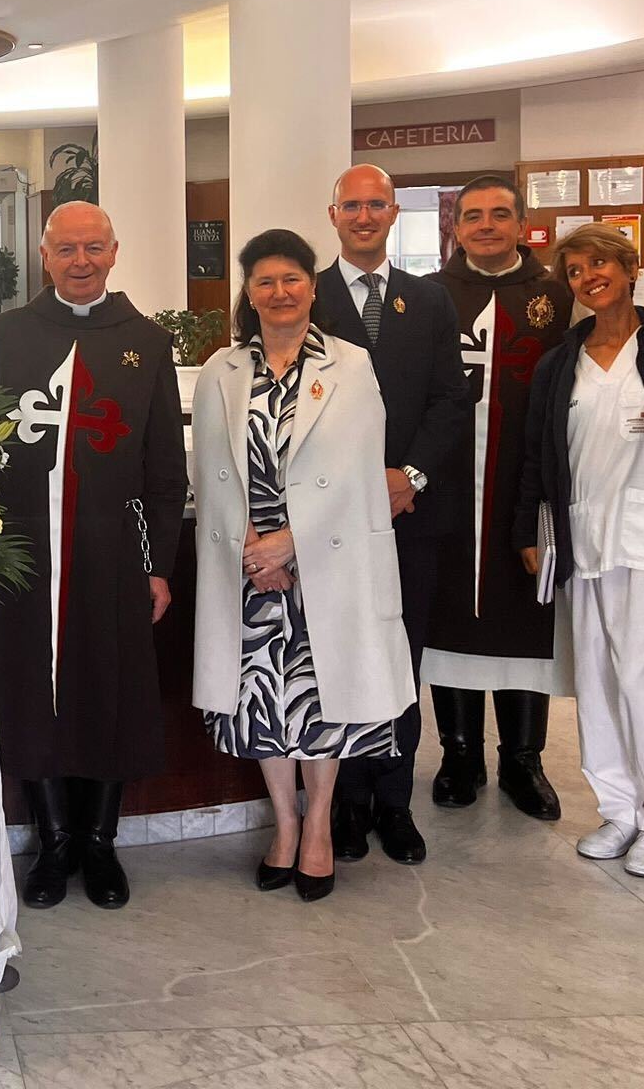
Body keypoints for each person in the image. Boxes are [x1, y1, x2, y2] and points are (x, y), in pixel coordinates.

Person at [193, 229, 416, 903]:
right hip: (251, 568)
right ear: (249, 293)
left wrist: (293, 542)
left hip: (327, 559)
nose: (280, 292)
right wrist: (256, 552)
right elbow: (208, 473)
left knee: (323, 703)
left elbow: (357, 475)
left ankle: (319, 825)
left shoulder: (350, 365)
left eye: (292, 278)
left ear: (313, 287)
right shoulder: (221, 371)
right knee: (262, 702)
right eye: (265, 281)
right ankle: (283, 827)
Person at [0, 201, 186, 910]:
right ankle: (52, 840)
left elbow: (165, 469)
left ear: (115, 252)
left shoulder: (147, 343)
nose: (81, 260)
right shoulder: (8, 335)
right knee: (32, 689)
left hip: (112, 549)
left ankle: (100, 842)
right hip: (25, 553)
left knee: (110, 688)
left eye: (93, 247)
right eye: (67, 248)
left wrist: (158, 564)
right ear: (44, 255)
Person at [516, 223, 644, 878]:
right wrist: (528, 535)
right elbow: (537, 457)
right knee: (594, 682)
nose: (589, 277)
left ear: (630, 268)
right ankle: (619, 808)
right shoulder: (560, 362)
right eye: (574, 271)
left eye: (600, 264)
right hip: (583, 543)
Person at [313, 164, 470, 866]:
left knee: (402, 655)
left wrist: (409, 475)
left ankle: (394, 802)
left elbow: (450, 400)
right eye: (354, 205)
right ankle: (344, 804)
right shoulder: (304, 296)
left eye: (378, 205)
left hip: (410, 512)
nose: (366, 215)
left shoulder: (429, 301)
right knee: (337, 653)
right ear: (333, 214)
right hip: (328, 520)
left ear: (395, 214)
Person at [423, 174, 574, 821]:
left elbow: (630, 337)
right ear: (456, 226)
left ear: (521, 225)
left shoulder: (557, 296)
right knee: (449, 614)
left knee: (522, 617)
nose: (485, 225)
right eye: (473, 215)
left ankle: (522, 760)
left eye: (499, 215)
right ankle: (459, 754)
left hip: (523, 484)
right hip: (448, 486)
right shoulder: (427, 297)